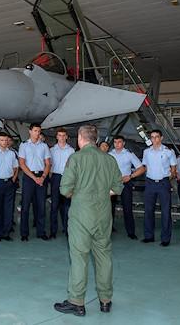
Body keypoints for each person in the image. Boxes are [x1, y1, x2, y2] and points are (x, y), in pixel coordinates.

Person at [54, 125, 123, 316]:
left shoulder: (75, 158)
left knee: (79, 257)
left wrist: (81, 195)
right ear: (96, 138)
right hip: (102, 215)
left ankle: (77, 302)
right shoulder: (109, 159)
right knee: (103, 257)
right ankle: (105, 301)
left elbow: (64, 189)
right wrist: (101, 194)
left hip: (81, 216)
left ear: (80, 138)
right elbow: (118, 187)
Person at [141, 129, 177, 246]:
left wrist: (166, 179)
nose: (154, 139)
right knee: (148, 211)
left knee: (166, 211)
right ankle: (149, 236)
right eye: (152, 137)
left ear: (161, 138)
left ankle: (165, 239)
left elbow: (173, 169)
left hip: (163, 183)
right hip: (150, 183)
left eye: (157, 137)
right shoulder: (146, 152)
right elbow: (145, 167)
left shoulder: (169, 152)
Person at [18, 123, 51, 241]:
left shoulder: (44, 146)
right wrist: (34, 177)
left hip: (41, 176)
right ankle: (24, 234)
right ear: (30, 131)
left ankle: (41, 232)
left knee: (41, 205)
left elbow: (48, 164)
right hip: (29, 177)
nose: (38, 133)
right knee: (25, 206)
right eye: (36, 131)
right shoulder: (24, 145)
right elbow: (22, 163)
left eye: (39, 131)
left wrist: (42, 177)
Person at [108, 135, 145, 240]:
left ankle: (131, 232)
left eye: (119, 142)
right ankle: (108, 230)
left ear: (123, 143)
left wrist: (131, 176)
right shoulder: (110, 154)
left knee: (127, 208)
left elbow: (141, 168)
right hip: (112, 183)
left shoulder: (129, 154)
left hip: (126, 183)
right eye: (115, 142)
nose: (117, 144)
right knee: (109, 208)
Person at [0, 132, 19, 241]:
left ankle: (6, 233)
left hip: (9, 183)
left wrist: (14, 178)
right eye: (2, 140)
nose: (5, 142)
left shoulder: (11, 153)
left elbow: (16, 167)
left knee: (8, 209)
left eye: (6, 140)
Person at [49, 128, 75, 238]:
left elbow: (73, 167)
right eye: (59, 135)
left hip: (67, 178)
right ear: (57, 137)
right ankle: (53, 231)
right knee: (54, 205)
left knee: (67, 206)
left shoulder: (71, 151)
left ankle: (67, 229)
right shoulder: (51, 150)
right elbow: (48, 165)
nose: (62, 137)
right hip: (55, 177)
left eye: (64, 135)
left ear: (67, 137)